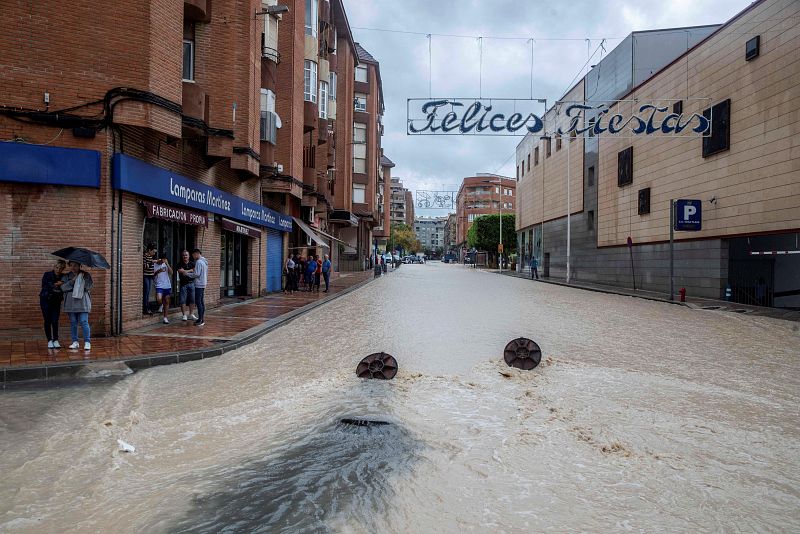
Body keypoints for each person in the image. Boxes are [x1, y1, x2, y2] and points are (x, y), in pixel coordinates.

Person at [61, 261, 93, 350]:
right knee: (73, 323)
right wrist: (73, 281)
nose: (73, 267)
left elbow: (88, 287)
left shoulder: (86, 275)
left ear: (80, 266)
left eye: (75, 265)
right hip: (71, 303)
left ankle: (87, 342)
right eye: (71, 265)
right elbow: (63, 288)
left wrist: (81, 279)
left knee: (83, 321)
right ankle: (75, 342)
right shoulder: (66, 276)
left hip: (83, 302)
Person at [40, 260, 66, 348]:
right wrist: (57, 284)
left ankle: (55, 340)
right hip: (45, 300)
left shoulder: (64, 277)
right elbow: (45, 285)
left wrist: (63, 283)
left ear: (63, 269)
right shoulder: (47, 274)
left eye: (61, 268)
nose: (58, 270)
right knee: (47, 320)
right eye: (57, 267)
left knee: (55, 320)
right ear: (54, 267)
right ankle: (49, 340)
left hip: (56, 301)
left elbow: (67, 285)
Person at [180, 248, 207, 326]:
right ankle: (201, 318)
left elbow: (197, 274)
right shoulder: (204, 261)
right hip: (203, 283)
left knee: (199, 302)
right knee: (201, 302)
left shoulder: (199, 262)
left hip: (199, 284)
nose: (193, 257)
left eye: (193, 255)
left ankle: (201, 320)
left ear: (196, 253)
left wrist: (186, 273)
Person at [177, 250, 197, 321]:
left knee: (192, 299)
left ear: (189, 256)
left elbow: (195, 271)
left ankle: (191, 314)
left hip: (192, 283)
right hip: (183, 284)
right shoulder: (180, 264)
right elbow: (180, 271)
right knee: (183, 300)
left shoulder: (192, 263)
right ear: (182, 256)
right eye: (183, 255)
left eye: (186, 255)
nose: (185, 256)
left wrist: (186, 271)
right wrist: (190, 270)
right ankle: (184, 315)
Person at [153, 252, 173, 324]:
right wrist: (158, 271)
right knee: (159, 299)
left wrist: (167, 264)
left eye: (164, 259)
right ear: (159, 259)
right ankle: (161, 304)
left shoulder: (165, 264)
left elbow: (171, 272)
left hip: (167, 285)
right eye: (162, 259)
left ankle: (165, 318)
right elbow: (152, 275)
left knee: (167, 301)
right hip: (159, 285)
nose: (163, 261)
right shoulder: (154, 264)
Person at [142, 242, 156, 315]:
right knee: (146, 293)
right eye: (153, 251)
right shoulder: (145, 256)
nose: (154, 253)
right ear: (149, 250)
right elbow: (144, 266)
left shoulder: (151, 256)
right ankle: (145, 309)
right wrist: (151, 262)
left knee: (148, 293)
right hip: (146, 276)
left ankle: (147, 308)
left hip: (150, 276)